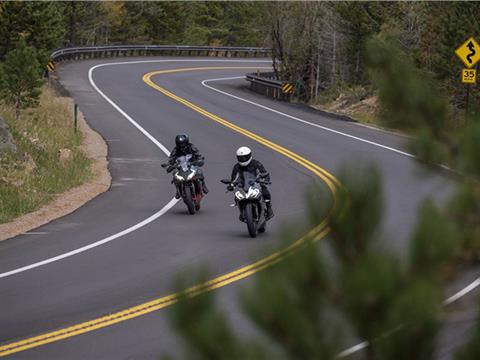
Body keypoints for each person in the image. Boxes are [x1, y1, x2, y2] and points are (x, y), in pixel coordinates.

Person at [229, 146, 274, 220]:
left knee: (265, 191)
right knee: (236, 195)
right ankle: (242, 211)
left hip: (256, 183)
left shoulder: (256, 163)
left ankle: (268, 207)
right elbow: (233, 178)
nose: (243, 159)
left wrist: (265, 179)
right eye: (241, 158)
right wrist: (231, 184)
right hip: (243, 185)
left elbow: (264, 172)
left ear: (249, 156)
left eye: (245, 157)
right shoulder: (236, 166)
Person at [168, 134, 208, 198]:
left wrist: (199, 159)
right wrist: (170, 164)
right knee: (174, 174)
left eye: (183, 143)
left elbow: (197, 154)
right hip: (181, 166)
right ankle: (178, 190)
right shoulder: (175, 149)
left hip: (192, 164)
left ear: (186, 142)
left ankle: (203, 185)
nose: (182, 145)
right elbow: (171, 157)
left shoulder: (191, 146)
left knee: (199, 171)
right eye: (180, 143)